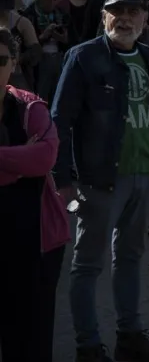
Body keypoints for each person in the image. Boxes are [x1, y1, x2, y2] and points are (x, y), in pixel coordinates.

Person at [52, 0, 149, 362]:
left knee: (129, 259)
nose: (125, 19)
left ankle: (130, 337)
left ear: (145, 19)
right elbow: (59, 121)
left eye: (133, 12)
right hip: (99, 181)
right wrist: (63, 181)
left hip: (145, 175)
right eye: (117, 12)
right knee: (87, 265)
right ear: (104, 17)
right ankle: (88, 346)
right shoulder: (83, 58)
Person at [0, 27, 70, 362]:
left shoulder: (30, 107)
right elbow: (32, 160)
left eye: (0, 59)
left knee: (30, 339)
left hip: (34, 243)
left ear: (13, 62)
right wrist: (19, 161)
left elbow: (44, 158)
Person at [23, 0, 71, 103]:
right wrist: (43, 37)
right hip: (38, 63)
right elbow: (25, 46)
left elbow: (71, 40)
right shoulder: (29, 15)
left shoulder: (61, 13)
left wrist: (63, 39)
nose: (52, 2)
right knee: (40, 97)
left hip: (58, 59)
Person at [0, 0, 39, 91]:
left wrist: (18, 58)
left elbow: (36, 51)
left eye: (5, 9)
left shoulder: (22, 23)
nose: (3, 12)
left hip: (15, 76)